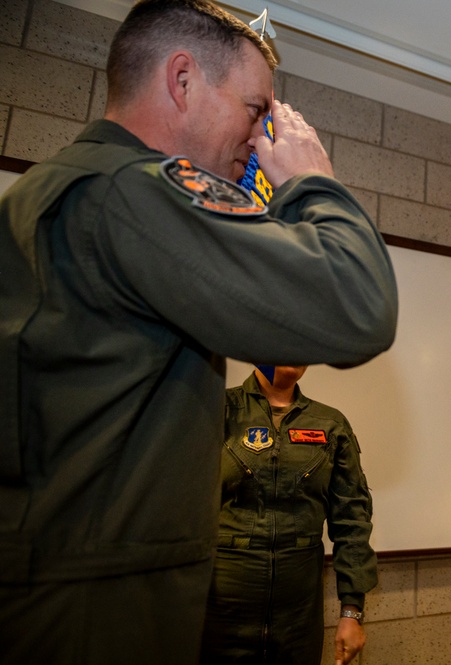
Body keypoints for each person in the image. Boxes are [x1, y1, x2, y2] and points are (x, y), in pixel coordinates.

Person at [0, 0, 397, 663]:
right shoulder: (133, 193)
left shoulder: (59, 190)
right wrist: (313, 183)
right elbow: (356, 304)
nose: (258, 136)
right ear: (182, 80)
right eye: (254, 109)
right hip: (97, 611)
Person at [201, 366, 375, 665]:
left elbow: (352, 521)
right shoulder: (216, 410)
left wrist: (351, 611)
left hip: (298, 624)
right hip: (220, 617)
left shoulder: (330, 424)